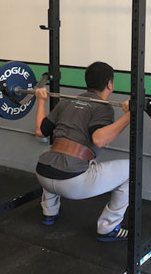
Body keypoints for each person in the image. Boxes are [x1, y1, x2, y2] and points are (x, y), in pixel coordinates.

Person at [34, 61, 131, 242]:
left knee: (56, 152)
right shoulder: (102, 107)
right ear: (110, 84)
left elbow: (40, 130)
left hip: (43, 175)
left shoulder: (67, 102)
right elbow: (99, 139)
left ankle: (49, 212)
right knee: (132, 170)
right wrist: (128, 116)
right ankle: (108, 227)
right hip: (72, 184)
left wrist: (40, 101)